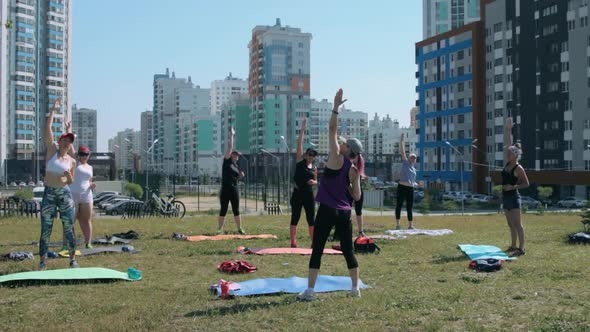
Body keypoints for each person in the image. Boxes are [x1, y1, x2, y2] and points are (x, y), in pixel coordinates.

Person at [298, 89, 362, 301]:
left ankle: (309, 292)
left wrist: (335, 107)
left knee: (317, 249)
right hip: (344, 213)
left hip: (327, 210)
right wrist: (357, 179)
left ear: (347, 148)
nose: (340, 143)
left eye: (344, 143)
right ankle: (355, 289)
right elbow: (357, 197)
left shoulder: (336, 157)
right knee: (348, 251)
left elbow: (331, 129)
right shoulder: (353, 170)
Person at [39, 97, 79, 269]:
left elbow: (71, 180)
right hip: (49, 193)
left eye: (70, 141)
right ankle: (42, 261)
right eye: (65, 139)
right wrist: (53, 110)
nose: (68, 142)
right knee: (46, 227)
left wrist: (69, 178)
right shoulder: (52, 150)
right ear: (60, 140)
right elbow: (47, 128)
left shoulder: (71, 161)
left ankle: (72, 259)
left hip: (64, 194)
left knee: (69, 227)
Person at [502, 117, 529, 256]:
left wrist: (512, 187)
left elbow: (526, 183)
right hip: (505, 197)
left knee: (518, 224)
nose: (507, 152)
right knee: (510, 224)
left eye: (510, 152)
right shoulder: (507, 163)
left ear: (515, 155)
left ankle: (521, 249)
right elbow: (507, 142)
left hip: (513, 197)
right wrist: (508, 129)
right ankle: (513, 246)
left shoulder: (519, 168)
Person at [289, 118, 318, 248]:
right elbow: (299, 143)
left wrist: (314, 182)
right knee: (295, 218)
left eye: (313, 155)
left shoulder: (314, 168)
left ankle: (313, 242)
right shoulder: (300, 162)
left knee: (311, 219)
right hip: (297, 195)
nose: (311, 157)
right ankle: (293, 242)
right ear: (305, 155)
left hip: (309, 196)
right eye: (309, 154)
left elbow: (316, 180)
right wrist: (302, 130)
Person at [217, 127, 245, 234]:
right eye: (235, 154)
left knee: (236, 210)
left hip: (234, 189)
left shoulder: (236, 166)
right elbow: (230, 146)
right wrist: (231, 135)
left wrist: (240, 176)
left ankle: (239, 229)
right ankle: (219, 229)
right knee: (223, 210)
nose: (236, 156)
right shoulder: (227, 161)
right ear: (231, 155)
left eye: (237, 155)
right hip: (225, 189)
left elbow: (236, 179)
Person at [70, 145, 96, 249]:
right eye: (82, 154)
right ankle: (67, 244)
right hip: (73, 194)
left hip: (86, 195)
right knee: (70, 220)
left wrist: (92, 184)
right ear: (78, 155)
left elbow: (88, 180)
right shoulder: (74, 163)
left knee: (87, 220)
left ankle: (88, 243)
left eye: (86, 154)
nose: (84, 156)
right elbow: (71, 150)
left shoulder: (90, 167)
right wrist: (68, 130)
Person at [395, 133, 421, 230]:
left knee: (409, 207)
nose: (413, 158)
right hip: (402, 187)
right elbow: (402, 152)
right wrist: (402, 141)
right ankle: (398, 224)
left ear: (415, 160)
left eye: (414, 158)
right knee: (399, 205)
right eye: (411, 157)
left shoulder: (414, 170)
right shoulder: (406, 163)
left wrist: (416, 184)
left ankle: (410, 225)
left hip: (410, 188)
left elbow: (412, 181)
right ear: (409, 158)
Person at [352, 153, 367, 236]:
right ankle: (339, 230)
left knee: (359, 211)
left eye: (357, 157)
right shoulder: (349, 166)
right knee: (344, 210)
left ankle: (361, 231)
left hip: (358, 190)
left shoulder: (359, 167)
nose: (355, 158)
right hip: (348, 189)